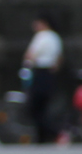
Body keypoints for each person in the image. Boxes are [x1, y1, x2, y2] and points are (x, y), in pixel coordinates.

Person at [21, 16, 63, 145]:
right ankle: (42, 137)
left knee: (33, 107)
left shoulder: (41, 37)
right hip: (49, 73)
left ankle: (55, 133)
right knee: (43, 107)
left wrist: (26, 65)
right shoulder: (55, 37)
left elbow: (31, 55)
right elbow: (59, 59)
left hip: (39, 71)